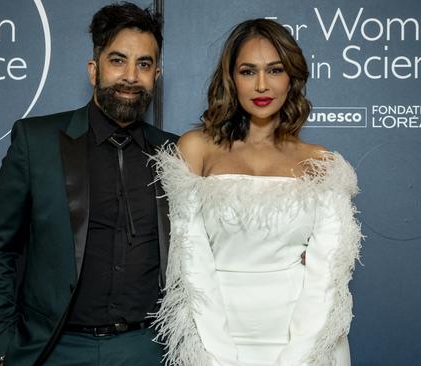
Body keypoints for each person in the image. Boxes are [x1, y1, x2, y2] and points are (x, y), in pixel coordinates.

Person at [0, 3, 177, 366]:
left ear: (156, 74)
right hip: (56, 349)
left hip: (148, 348)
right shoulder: (35, 142)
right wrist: (5, 347)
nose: (131, 76)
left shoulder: (176, 153)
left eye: (144, 64)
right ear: (93, 69)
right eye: (118, 60)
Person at [151, 19, 361, 366]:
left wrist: (299, 357)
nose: (262, 85)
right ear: (231, 79)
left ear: (291, 77)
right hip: (212, 337)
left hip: (305, 341)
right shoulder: (196, 149)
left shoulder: (323, 163)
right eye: (248, 71)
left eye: (274, 70)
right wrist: (216, 356)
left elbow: (327, 276)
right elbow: (191, 261)